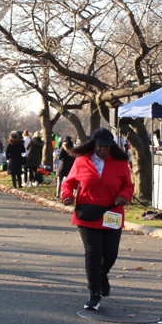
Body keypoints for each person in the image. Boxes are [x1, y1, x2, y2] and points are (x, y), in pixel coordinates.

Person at [60, 128, 135, 311]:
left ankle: (101, 275)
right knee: (93, 253)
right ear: (93, 145)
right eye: (100, 146)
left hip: (112, 213)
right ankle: (94, 293)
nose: (104, 149)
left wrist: (124, 196)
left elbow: (128, 185)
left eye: (107, 147)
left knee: (110, 254)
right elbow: (69, 182)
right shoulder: (81, 161)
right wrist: (67, 195)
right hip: (88, 213)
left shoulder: (120, 163)